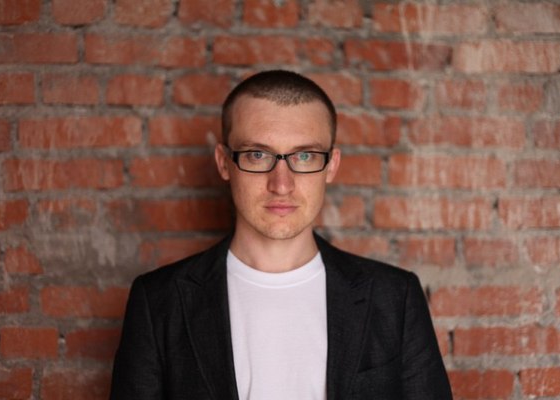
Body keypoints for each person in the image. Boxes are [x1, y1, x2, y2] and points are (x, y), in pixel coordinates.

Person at [110, 70, 453, 400]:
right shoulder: (159, 302)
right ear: (224, 162)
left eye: (304, 156)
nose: (282, 184)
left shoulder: (395, 298)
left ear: (331, 165)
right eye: (258, 155)